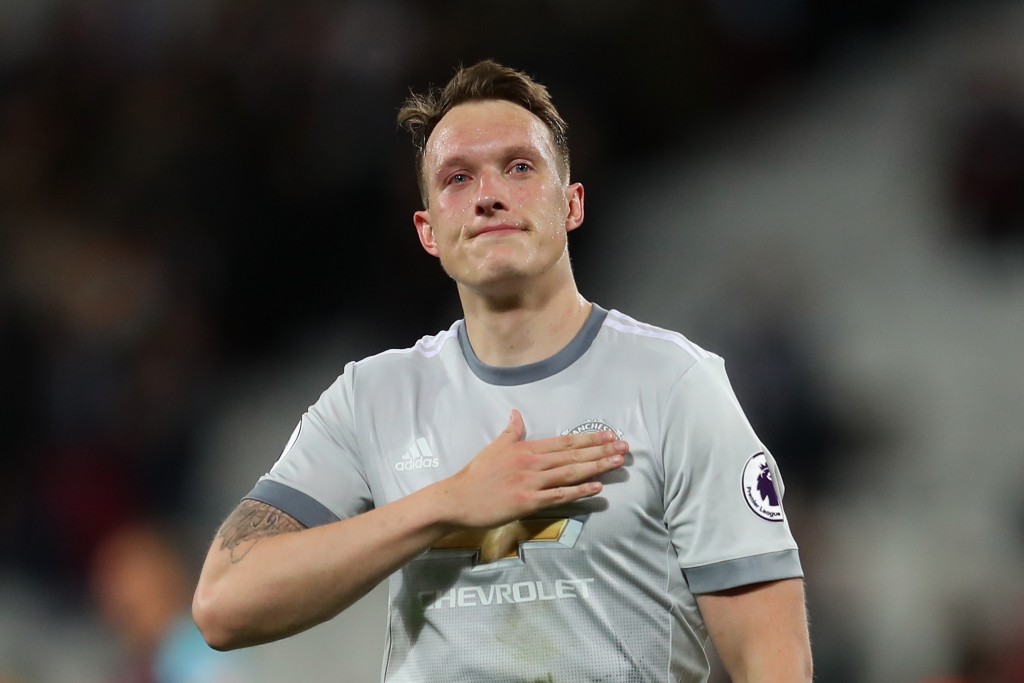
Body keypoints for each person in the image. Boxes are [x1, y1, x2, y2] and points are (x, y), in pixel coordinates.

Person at [193, 59, 812, 682]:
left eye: (519, 167)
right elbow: (223, 605)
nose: (489, 194)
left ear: (571, 204)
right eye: (458, 178)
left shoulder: (675, 384)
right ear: (428, 231)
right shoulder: (371, 398)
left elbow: (771, 659)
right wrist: (446, 505)